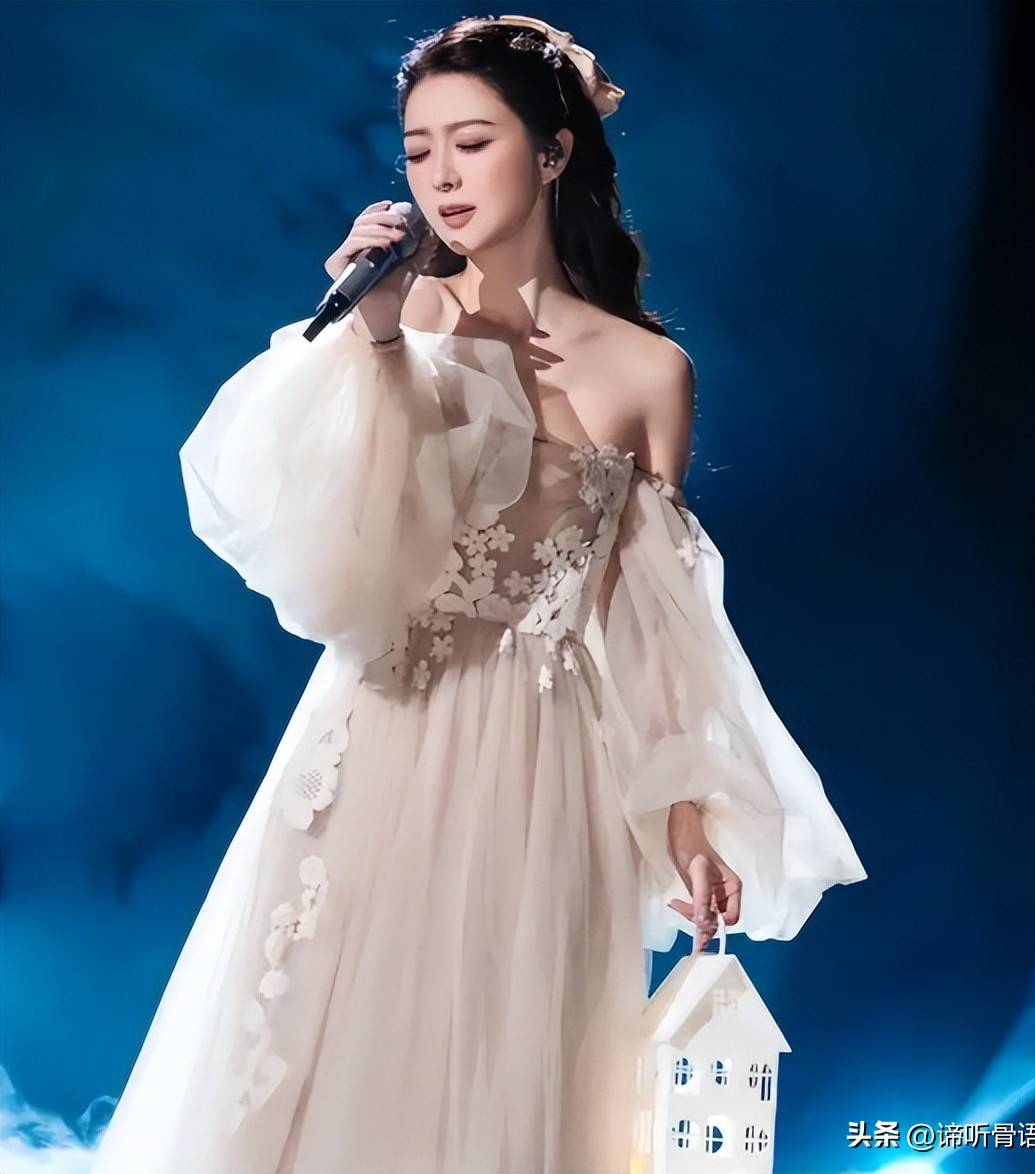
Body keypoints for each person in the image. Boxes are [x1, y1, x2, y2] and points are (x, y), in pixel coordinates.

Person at [89, 14, 866, 1174]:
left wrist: (686, 813)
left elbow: (652, 612)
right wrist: (372, 343)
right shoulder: (394, 317)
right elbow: (327, 549)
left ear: (551, 153)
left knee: (510, 1075)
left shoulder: (649, 371)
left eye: (471, 142)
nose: (440, 177)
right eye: (417, 150)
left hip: (547, 768)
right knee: (326, 1057)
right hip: (381, 732)